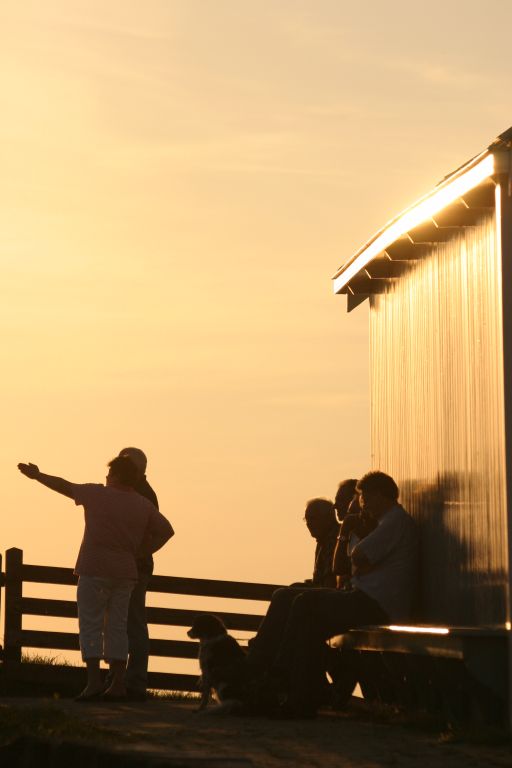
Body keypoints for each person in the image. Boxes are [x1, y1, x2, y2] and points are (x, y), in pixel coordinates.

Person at [17, 456, 174, 701]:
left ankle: (93, 683)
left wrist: (38, 476)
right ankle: (118, 684)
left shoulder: (97, 494)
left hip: (94, 569)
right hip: (125, 572)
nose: (106, 477)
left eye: (109, 473)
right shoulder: (142, 504)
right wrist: (141, 551)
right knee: (118, 627)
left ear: (117, 475)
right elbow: (166, 531)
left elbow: (64, 486)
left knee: (91, 624)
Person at [268, 471, 418, 718]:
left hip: (376, 603)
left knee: (305, 603)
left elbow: (356, 558)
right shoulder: (388, 524)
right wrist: (360, 563)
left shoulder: (395, 522)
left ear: (379, 496)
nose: (362, 505)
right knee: (310, 624)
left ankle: (283, 676)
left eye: (364, 498)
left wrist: (348, 532)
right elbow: (356, 563)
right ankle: (300, 696)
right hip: (369, 599)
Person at [247, 487, 354, 670]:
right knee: (289, 593)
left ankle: (261, 656)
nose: (309, 524)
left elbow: (331, 583)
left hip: (334, 603)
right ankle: (265, 655)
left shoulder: (335, 539)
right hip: (325, 600)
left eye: (313, 518)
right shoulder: (324, 540)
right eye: (306, 519)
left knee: (283, 596)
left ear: (328, 518)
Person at [116, 446, 159, 700]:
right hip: (131, 565)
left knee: (131, 623)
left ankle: (133, 682)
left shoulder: (141, 495)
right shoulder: (140, 492)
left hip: (133, 567)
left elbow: (156, 531)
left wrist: (137, 555)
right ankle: (124, 680)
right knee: (126, 623)